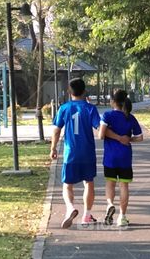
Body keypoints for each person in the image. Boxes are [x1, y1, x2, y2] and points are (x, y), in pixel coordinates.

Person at [49, 78, 131, 229]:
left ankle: (70, 208)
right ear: (84, 91)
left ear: (69, 91)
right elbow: (100, 129)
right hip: (87, 152)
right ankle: (86, 215)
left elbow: (56, 130)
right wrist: (119, 136)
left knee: (67, 185)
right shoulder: (90, 109)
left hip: (70, 153)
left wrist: (53, 148)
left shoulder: (64, 108)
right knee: (89, 183)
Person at [100, 89, 143, 228]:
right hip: (125, 156)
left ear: (113, 101)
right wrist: (127, 139)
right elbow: (140, 137)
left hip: (110, 157)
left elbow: (101, 135)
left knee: (110, 183)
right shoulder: (130, 117)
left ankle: (110, 204)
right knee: (124, 185)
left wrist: (115, 137)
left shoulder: (107, 115)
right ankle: (122, 217)